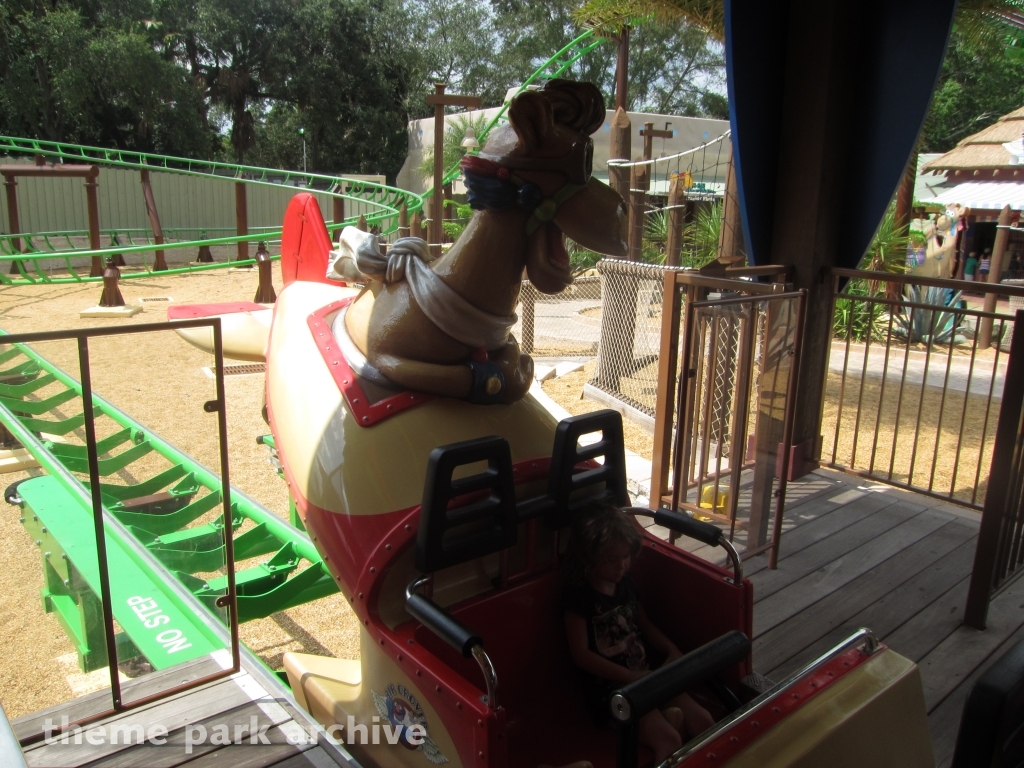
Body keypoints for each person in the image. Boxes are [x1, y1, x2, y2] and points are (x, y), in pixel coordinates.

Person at [563, 502, 715, 763]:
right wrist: (629, 676)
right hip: (612, 693)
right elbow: (581, 655)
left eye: (626, 557)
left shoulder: (626, 584)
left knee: (704, 721)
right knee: (669, 739)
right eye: (612, 560)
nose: (621, 566)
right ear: (588, 558)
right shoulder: (580, 598)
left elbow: (644, 625)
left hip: (644, 678)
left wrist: (671, 650)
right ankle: (668, 723)